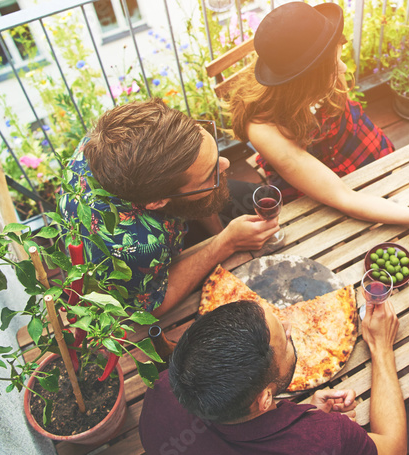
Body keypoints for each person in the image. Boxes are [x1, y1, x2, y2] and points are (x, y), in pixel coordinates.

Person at [139, 298, 409, 455]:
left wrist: (301, 414)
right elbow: (394, 452)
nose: (289, 326)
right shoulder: (328, 443)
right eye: (284, 340)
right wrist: (381, 346)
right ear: (264, 399)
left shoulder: (160, 390)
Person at [230, 1, 409, 243]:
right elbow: (343, 197)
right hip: (312, 174)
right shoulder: (264, 129)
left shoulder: (315, 66)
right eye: (332, 65)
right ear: (304, 82)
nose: (344, 69)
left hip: (355, 140)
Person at [58, 98, 279, 316]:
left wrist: (219, 229)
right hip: (131, 269)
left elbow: (195, 189)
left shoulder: (111, 138)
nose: (226, 165)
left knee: (260, 196)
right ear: (157, 202)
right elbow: (154, 304)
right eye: (208, 175)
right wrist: (226, 243)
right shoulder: (137, 245)